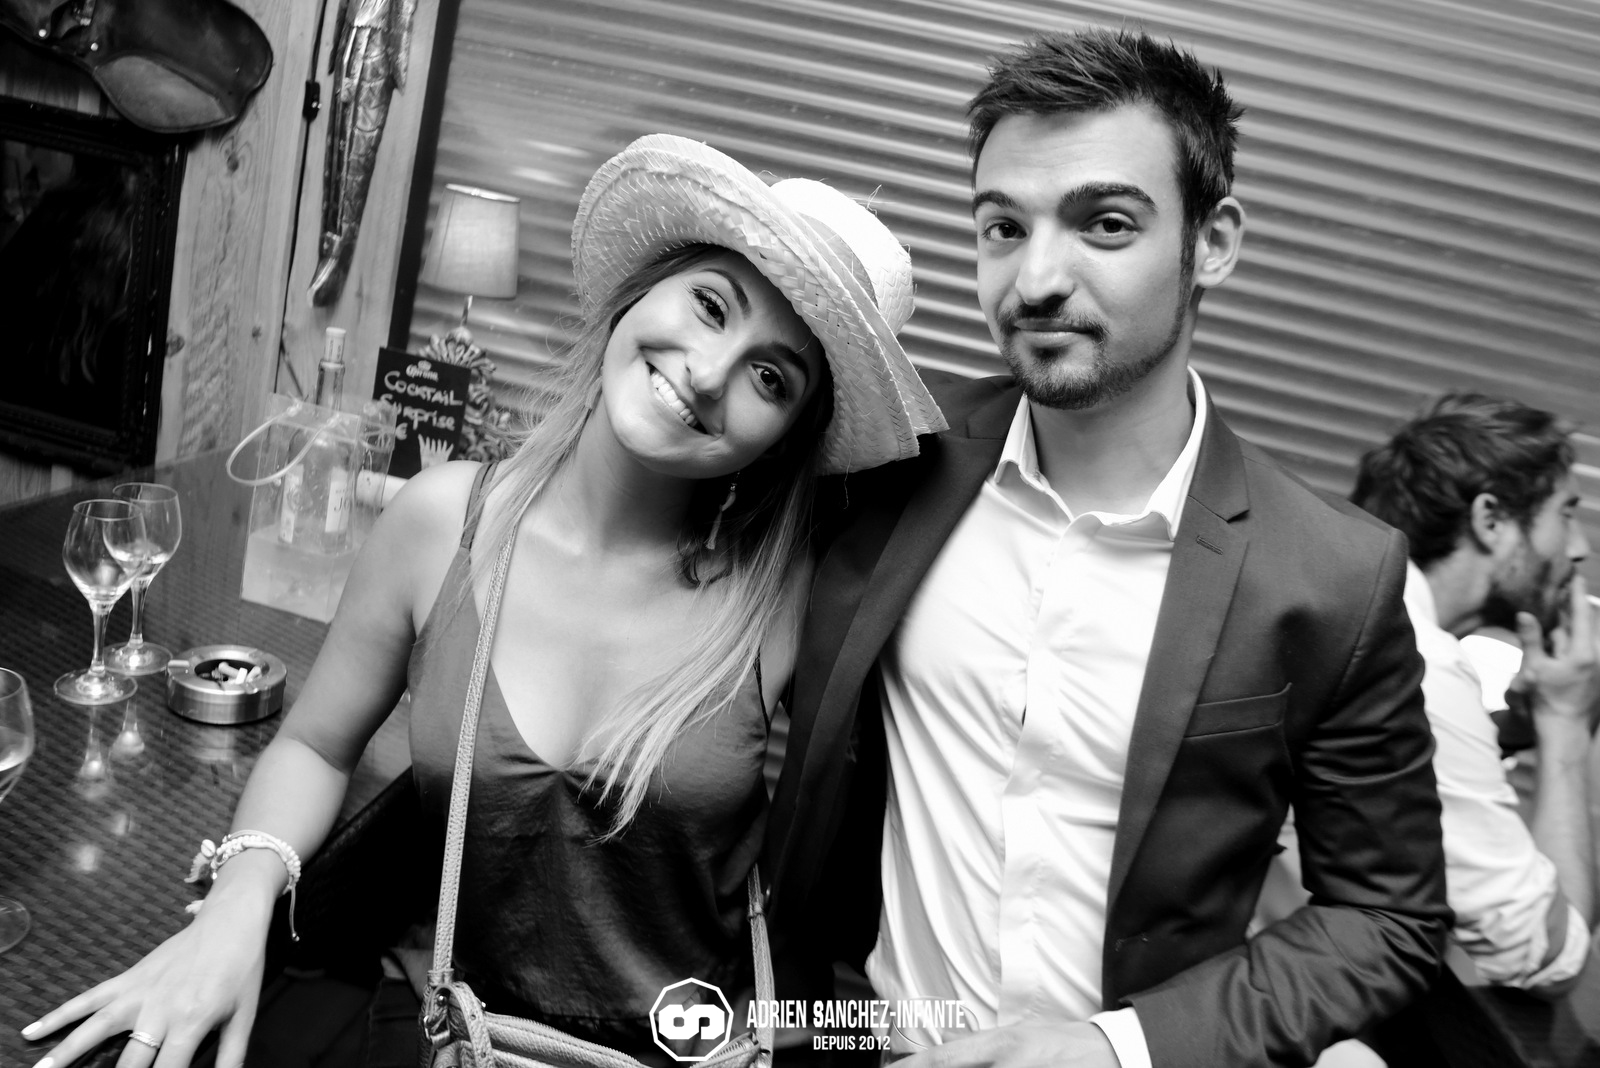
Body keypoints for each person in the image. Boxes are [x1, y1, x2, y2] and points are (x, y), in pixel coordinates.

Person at [23, 133, 944, 1067]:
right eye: (711, 306)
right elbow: (314, 744)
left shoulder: (789, 602)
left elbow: (891, 850)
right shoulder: (442, 524)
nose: (709, 373)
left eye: (770, 378)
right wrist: (237, 901)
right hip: (454, 1035)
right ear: (644, 289)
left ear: (784, 438)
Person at [764, 29, 1449, 1068]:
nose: (1036, 279)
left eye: (1106, 224)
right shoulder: (886, 454)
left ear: (1212, 242)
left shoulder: (1333, 576)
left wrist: (1116, 1047)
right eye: (1003, 227)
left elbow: (1386, 918)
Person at [1349, 393, 1597, 992]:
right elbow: (1541, 957)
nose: (1579, 548)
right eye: (1565, 514)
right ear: (1491, 520)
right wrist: (1565, 725)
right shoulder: (1420, 667)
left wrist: (1510, 730)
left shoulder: (1363, 615)